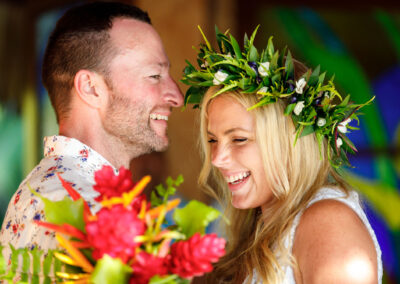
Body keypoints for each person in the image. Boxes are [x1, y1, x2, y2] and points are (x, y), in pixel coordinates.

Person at [183, 27, 381, 283]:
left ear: (290, 144)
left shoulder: (329, 222)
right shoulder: (257, 226)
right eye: (212, 140)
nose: (217, 158)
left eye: (239, 139)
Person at [0, 0, 183, 275]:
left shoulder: (52, 190)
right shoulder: (89, 212)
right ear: (91, 88)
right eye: (154, 75)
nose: (176, 96)